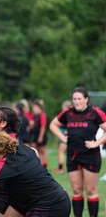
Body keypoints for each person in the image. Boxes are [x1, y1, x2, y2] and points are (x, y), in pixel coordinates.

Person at [49, 86, 106, 217]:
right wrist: (63, 137)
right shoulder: (68, 112)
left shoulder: (95, 112)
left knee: (91, 191)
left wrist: (96, 143)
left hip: (90, 156)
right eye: (74, 99)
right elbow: (53, 125)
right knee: (76, 190)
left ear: (87, 99)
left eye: (79, 98)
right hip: (73, 155)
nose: (76, 101)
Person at [54, 100, 73, 174]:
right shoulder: (72, 114)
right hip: (69, 135)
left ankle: (60, 169)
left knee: (61, 152)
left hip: (66, 136)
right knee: (68, 152)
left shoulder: (67, 114)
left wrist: (67, 131)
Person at [28, 100, 48, 168]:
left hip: (40, 135)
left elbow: (43, 126)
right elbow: (31, 126)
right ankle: (39, 165)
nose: (33, 109)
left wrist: (41, 137)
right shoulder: (34, 116)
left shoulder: (42, 115)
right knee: (35, 150)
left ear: (39, 108)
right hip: (34, 135)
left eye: (35, 107)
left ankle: (44, 165)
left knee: (43, 151)